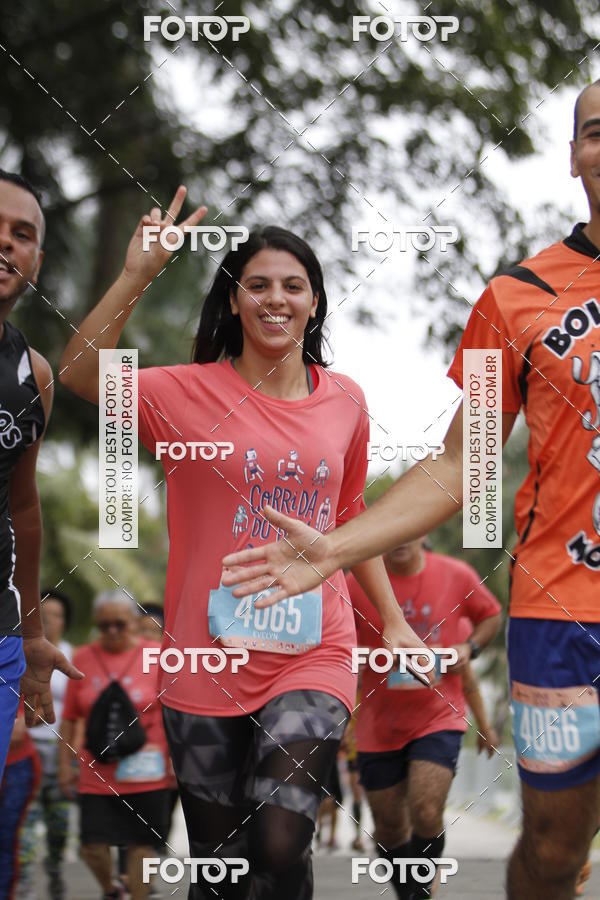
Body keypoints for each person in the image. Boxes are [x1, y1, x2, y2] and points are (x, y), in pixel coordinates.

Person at [222, 81, 600, 900]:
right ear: (575, 156)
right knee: (554, 852)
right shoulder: (517, 301)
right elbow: (466, 465)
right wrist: (337, 547)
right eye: (597, 131)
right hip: (566, 613)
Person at [58, 188, 428, 899]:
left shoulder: (345, 399)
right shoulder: (180, 393)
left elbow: (352, 522)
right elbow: (78, 373)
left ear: (316, 302)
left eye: (294, 286)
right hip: (206, 654)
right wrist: (138, 273)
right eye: (256, 285)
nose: (275, 299)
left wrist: (399, 621)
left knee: (282, 839)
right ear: (233, 301)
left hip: (314, 647)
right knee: (222, 865)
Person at [347, 538, 501, 898]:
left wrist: (471, 648)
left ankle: (421, 893)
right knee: (387, 827)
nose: (399, 540)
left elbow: (491, 616)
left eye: (409, 530)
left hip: (438, 716)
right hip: (377, 725)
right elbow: (335, 640)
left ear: (423, 532)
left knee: (426, 809)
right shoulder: (356, 583)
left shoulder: (456, 575)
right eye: (392, 532)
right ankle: (411, 893)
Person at [0, 171, 82, 782]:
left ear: (35, 257)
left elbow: (23, 512)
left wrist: (30, 639)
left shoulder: (34, 374)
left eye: (20, 234)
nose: (5, 242)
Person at [58, 590, 170, 900]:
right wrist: (64, 765)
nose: (111, 631)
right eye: (104, 625)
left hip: (147, 768)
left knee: (142, 843)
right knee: (92, 845)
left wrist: (177, 760)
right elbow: (70, 716)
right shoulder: (82, 657)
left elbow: (176, 711)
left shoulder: (158, 655)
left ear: (134, 622)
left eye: (119, 624)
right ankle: (111, 890)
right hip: (96, 769)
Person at [18, 589, 73, 900]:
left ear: (65, 622)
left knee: (59, 825)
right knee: (26, 819)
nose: (50, 621)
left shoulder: (73, 656)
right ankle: (23, 887)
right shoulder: (17, 655)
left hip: (59, 752)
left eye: (56, 615)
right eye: (43, 615)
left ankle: (54, 873)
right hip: (25, 749)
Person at [0, 700, 41, 899]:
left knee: (6, 837)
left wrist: (24, 720)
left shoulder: (21, 669)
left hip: (16, 765)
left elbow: (44, 706)